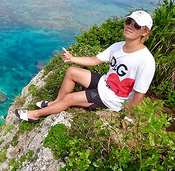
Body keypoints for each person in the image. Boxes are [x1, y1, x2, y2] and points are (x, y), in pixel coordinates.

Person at [15, 10, 155, 124]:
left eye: (137, 25)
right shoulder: (118, 46)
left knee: (69, 99)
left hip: (113, 99)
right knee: (71, 71)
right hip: (105, 83)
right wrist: (72, 59)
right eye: (129, 21)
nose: (130, 26)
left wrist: (128, 118)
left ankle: (35, 114)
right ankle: (55, 103)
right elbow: (94, 60)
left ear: (145, 32)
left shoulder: (146, 60)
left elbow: (139, 93)